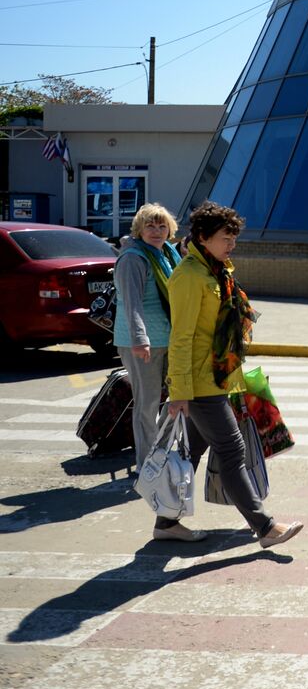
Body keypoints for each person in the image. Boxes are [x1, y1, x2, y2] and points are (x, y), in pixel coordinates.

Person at [166, 201, 303, 548]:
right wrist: (178, 390)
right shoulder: (188, 277)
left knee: (192, 452)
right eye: (226, 238)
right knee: (231, 450)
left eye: (233, 238)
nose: (232, 245)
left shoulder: (216, 271)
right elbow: (180, 337)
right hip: (198, 382)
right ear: (203, 237)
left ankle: (165, 522)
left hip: (217, 376)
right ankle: (265, 526)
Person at [114, 204, 188, 517]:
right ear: (139, 230)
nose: (156, 232)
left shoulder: (168, 253)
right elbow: (131, 304)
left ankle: (159, 452)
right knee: (145, 404)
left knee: (176, 400)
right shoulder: (134, 258)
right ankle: (146, 466)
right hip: (142, 343)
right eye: (150, 227)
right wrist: (139, 339)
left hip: (168, 339)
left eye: (161, 226)